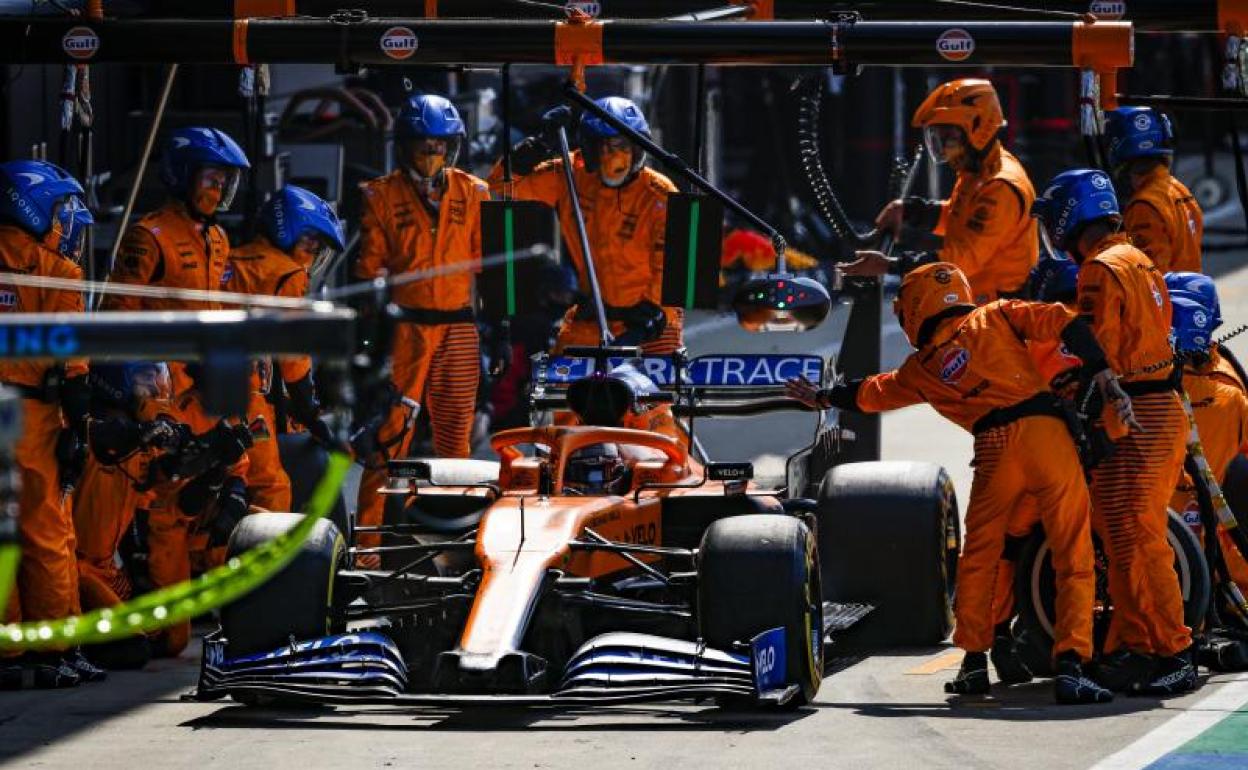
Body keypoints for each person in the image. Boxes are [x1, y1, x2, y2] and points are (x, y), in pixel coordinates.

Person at [787, 261, 1125, 704]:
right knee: (1072, 550)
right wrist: (1101, 369)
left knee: (981, 557)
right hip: (1047, 436)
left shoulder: (922, 368)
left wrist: (824, 396)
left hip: (994, 449)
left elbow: (872, 392)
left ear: (914, 309)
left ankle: (973, 663)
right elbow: (1065, 322)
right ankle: (1072, 666)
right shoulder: (998, 314)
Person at [1033, 168, 1196, 695]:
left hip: (1140, 410)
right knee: (1122, 534)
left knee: (1139, 536)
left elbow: (1096, 348)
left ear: (1068, 217)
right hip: (1151, 406)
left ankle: (1175, 652)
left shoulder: (1099, 270)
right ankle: (1138, 646)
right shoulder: (1137, 258)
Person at [353, 94, 489, 564]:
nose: (431, 154)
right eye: (422, 145)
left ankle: (456, 541)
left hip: (459, 327)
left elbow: (487, 264)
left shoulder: (475, 191)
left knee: (456, 440)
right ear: (405, 146)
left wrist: (500, 328)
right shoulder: (379, 195)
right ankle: (369, 546)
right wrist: (370, 332)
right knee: (388, 438)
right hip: (405, 329)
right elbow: (369, 269)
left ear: (452, 148)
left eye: (439, 145)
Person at [0, 160, 103, 688]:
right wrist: (78, 429)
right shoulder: (57, 271)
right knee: (47, 533)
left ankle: (9, 653)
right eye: (60, 210)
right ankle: (55, 650)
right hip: (35, 416)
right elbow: (74, 365)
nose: (66, 223)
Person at [494, 96, 681, 354]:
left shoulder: (662, 194)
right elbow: (500, 184)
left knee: (659, 378)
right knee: (560, 377)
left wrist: (652, 318)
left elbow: (678, 272)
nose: (613, 157)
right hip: (592, 317)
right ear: (589, 149)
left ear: (639, 148)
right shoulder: (570, 174)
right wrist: (539, 144)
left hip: (651, 319)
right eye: (603, 147)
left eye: (621, 146)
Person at [843, 79, 1038, 304]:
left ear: (978, 128)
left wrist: (891, 265)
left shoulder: (1000, 186)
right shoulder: (977, 173)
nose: (943, 148)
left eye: (948, 137)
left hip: (1000, 312)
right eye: (937, 137)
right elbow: (960, 220)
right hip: (978, 302)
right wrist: (909, 211)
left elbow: (964, 259)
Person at [224, 185, 344, 510]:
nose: (312, 255)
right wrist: (310, 411)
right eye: (311, 244)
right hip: (245, 396)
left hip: (201, 389)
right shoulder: (287, 273)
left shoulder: (229, 258)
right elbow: (293, 356)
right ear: (288, 230)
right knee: (271, 487)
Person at [1104, 107, 1203, 274]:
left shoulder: (1143, 206)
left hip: (1169, 290)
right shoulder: (1181, 190)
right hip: (1193, 287)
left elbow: (1152, 272)